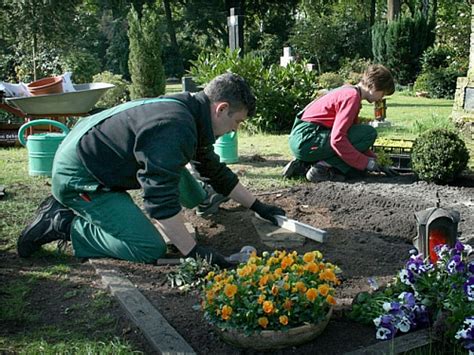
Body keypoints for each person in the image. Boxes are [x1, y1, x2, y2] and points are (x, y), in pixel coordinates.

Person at [17, 73, 285, 267]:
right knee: (148, 246)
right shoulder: (175, 127)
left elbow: (213, 169)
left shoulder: (192, 112)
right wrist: (193, 253)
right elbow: (159, 201)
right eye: (236, 122)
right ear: (221, 108)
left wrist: (259, 206)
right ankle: (61, 223)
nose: (235, 129)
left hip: (94, 148)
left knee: (183, 180)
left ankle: (202, 199)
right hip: (81, 176)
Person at [282, 64, 396, 182]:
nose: (380, 98)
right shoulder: (351, 97)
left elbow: (354, 140)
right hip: (307, 139)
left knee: (355, 168)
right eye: (382, 93)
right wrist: (367, 163)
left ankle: (303, 164)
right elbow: (338, 139)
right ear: (374, 86)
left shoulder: (348, 90)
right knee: (369, 133)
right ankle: (320, 169)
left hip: (302, 139)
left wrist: (375, 160)